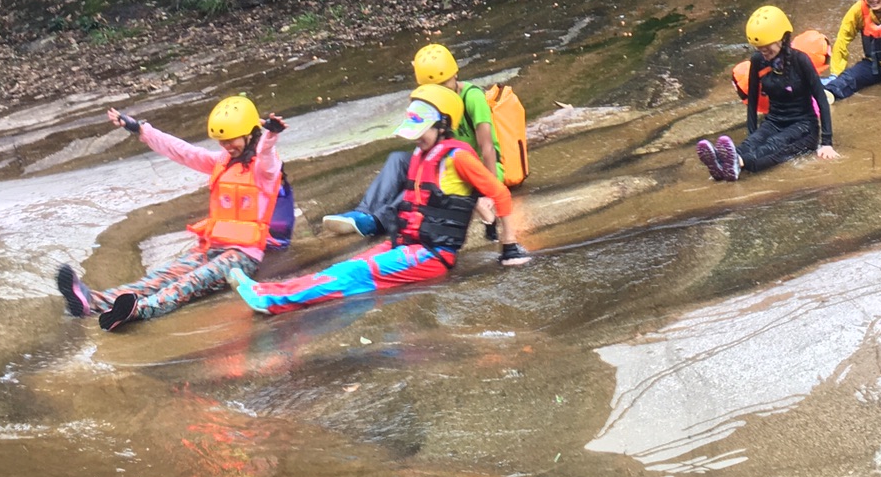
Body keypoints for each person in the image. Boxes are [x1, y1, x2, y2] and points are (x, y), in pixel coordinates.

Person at [231, 92, 530, 315]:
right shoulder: (420, 155)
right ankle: (268, 292)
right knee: (345, 268)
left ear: (443, 125)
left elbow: (498, 193)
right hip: (405, 245)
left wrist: (508, 245)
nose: (417, 140)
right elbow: (454, 196)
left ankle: (271, 302)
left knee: (353, 275)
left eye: (421, 132)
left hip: (431, 255)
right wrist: (485, 219)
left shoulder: (459, 157)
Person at [54, 94, 290, 331]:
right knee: (160, 276)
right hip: (212, 246)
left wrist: (270, 137)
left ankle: (138, 310)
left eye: (232, 140)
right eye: (223, 141)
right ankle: (91, 301)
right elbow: (182, 151)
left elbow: (267, 159)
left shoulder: (264, 169)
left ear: (250, 133)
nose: (227, 146)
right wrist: (141, 130)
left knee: (191, 282)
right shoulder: (222, 160)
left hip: (243, 255)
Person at [320, 42, 505, 237]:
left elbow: (487, 148)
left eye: (444, 84)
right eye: (435, 87)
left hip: (472, 169)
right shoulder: (431, 103)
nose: (441, 91)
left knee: (427, 181)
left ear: (455, 75)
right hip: (443, 162)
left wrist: (489, 191)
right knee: (398, 159)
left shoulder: (473, 97)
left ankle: (378, 221)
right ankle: (362, 214)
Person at [697, 7, 838, 181]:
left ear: (782, 38)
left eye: (767, 47)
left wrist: (827, 142)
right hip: (774, 121)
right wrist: (752, 134)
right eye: (759, 47)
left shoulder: (800, 60)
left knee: (775, 145)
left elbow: (821, 98)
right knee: (752, 143)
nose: (763, 51)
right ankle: (721, 162)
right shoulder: (758, 61)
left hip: (803, 126)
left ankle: (738, 162)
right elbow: (753, 101)